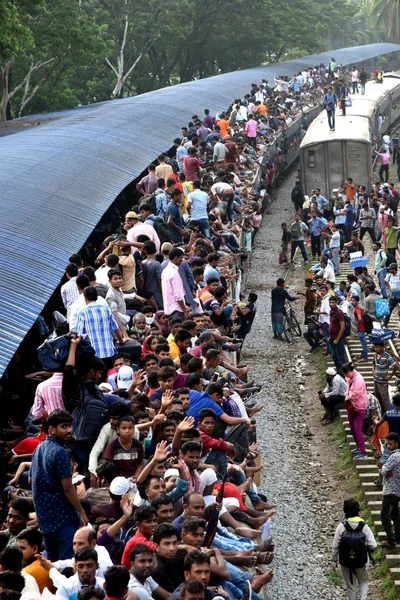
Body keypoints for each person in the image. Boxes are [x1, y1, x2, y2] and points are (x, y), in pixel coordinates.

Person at [30, 409, 88, 561]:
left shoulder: (39, 448)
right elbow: (68, 488)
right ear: (52, 429)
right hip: (63, 518)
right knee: (66, 565)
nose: (69, 430)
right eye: (64, 426)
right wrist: (81, 512)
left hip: (45, 519)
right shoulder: (60, 452)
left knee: (53, 566)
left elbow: (32, 480)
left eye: (70, 426)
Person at [332, 499, 377, 600]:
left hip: (346, 562)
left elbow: (335, 546)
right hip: (362, 562)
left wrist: (334, 561)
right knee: (363, 582)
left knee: (351, 587)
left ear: (345, 511)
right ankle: (363, 598)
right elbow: (373, 545)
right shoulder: (364, 526)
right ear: (358, 510)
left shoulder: (341, 527)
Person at [341, 363, 368, 460]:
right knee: (352, 428)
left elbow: (357, 393)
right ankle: (359, 447)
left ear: (349, 371)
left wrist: (349, 396)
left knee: (357, 430)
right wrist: (347, 395)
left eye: (345, 374)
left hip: (359, 406)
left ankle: (363, 451)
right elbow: (348, 389)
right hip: (352, 405)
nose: (345, 376)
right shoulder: (351, 378)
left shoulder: (359, 379)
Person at [379, 432, 400, 549]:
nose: (388, 446)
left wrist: (383, 467)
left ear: (396, 444)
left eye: (390, 444)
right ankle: (398, 537)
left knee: (384, 516)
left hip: (390, 490)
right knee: (395, 516)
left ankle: (391, 540)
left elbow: (383, 471)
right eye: (387, 444)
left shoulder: (393, 457)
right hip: (397, 490)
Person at [373, 342, 399, 413]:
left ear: (382, 347)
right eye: (375, 347)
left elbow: (396, 366)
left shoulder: (387, 356)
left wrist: (389, 376)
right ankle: (382, 415)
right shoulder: (375, 354)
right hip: (376, 380)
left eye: (378, 347)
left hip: (383, 382)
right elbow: (374, 364)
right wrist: (373, 371)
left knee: (385, 400)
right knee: (378, 399)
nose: (376, 349)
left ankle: (389, 415)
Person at [328, 296, 346, 370]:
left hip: (338, 339)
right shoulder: (332, 312)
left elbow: (342, 326)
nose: (331, 304)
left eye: (333, 302)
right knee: (334, 356)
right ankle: (339, 371)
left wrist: (337, 339)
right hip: (332, 338)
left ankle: (344, 374)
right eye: (330, 302)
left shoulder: (339, 312)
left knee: (340, 357)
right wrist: (330, 336)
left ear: (336, 303)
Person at [351, 296, 368, 361]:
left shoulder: (357, 309)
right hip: (361, 328)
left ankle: (365, 357)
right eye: (352, 301)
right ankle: (363, 355)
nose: (352, 302)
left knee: (363, 343)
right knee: (363, 342)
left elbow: (360, 318)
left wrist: (358, 325)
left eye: (353, 301)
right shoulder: (357, 308)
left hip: (361, 328)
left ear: (357, 301)